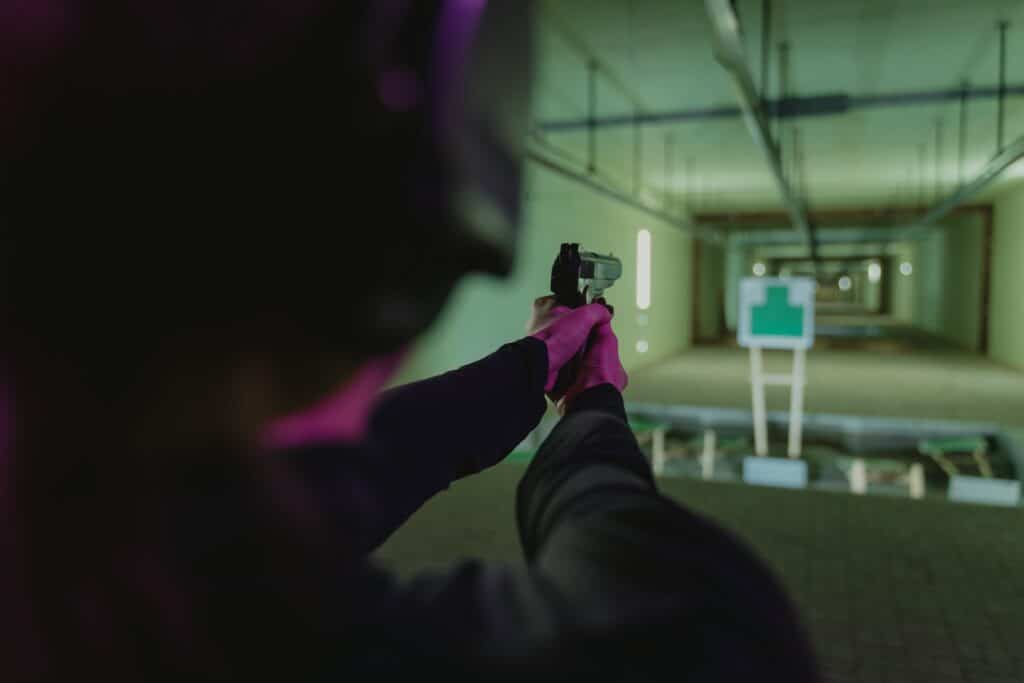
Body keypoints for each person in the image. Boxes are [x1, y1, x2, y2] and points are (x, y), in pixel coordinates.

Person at [0, 0, 819, 680]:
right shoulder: (190, 615)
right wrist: (593, 405)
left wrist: (533, 364)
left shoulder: (68, 524)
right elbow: (699, 627)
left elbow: (335, 476)